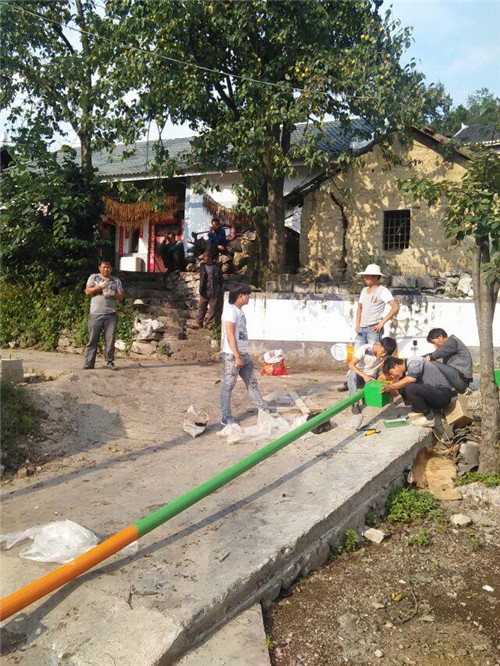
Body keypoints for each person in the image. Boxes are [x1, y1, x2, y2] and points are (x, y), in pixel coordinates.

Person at [338, 263, 398, 392]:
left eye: (368, 276)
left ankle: (372, 384)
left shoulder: (383, 291)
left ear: (376, 277)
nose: (365, 278)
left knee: (375, 358)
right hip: (362, 328)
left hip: (373, 328)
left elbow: (395, 307)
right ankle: (351, 381)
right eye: (365, 276)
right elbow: (360, 307)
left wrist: (382, 323)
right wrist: (357, 324)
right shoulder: (364, 290)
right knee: (357, 356)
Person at [220, 284, 274, 426]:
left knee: (252, 383)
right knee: (228, 385)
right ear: (241, 296)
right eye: (247, 294)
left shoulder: (238, 311)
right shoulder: (230, 311)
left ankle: (264, 410)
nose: (249, 297)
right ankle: (226, 417)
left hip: (242, 355)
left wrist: (242, 354)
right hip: (232, 356)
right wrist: (237, 356)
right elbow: (230, 335)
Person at [380, 356, 454, 427]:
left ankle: (429, 418)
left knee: (410, 387)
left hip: (443, 395)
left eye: (391, 373)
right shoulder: (405, 372)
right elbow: (399, 390)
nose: (393, 377)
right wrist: (387, 393)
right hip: (433, 395)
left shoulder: (414, 362)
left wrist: (391, 386)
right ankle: (420, 411)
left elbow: (411, 379)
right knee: (404, 384)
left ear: (396, 366)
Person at [84, 260, 123, 370]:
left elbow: (121, 297)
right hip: (95, 313)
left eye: (108, 267)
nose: (106, 269)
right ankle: (89, 363)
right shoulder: (94, 277)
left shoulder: (116, 280)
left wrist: (112, 293)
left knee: (110, 340)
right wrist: (99, 287)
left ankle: (109, 362)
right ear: (99, 267)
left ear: (111, 269)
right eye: (104, 267)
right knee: (92, 339)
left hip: (111, 314)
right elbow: (87, 291)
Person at [347, 337, 397, 413]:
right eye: (384, 351)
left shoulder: (385, 356)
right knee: (351, 374)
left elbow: (388, 367)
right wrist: (364, 376)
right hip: (359, 376)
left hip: (371, 379)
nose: (384, 354)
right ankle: (354, 403)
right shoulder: (364, 349)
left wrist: (385, 376)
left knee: (382, 390)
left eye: (386, 353)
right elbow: (351, 365)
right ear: (379, 345)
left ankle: (366, 395)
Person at [424, 328, 473, 393]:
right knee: (431, 363)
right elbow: (436, 355)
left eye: (434, 342)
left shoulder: (452, 341)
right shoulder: (447, 346)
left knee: (431, 363)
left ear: (440, 337)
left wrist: (429, 357)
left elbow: (436, 354)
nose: (435, 345)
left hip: (462, 380)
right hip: (457, 377)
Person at [191, 250, 223, 329]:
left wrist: (219, 288)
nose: (204, 260)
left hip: (214, 289)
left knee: (213, 308)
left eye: (206, 258)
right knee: (202, 306)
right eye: (203, 258)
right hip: (204, 289)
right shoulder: (202, 266)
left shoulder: (217, 267)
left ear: (210, 258)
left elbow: (220, 279)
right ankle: (199, 323)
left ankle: (209, 324)